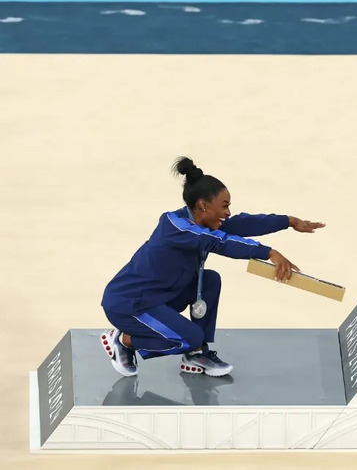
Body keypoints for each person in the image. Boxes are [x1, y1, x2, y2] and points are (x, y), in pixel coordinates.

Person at [99, 157, 325, 378]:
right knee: (189, 337)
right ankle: (124, 340)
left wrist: (289, 221)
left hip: (160, 296)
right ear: (203, 205)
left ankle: (196, 354)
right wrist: (270, 253)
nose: (228, 212)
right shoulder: (174, 225)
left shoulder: (205, 221)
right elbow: (219, 242)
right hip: (130, 304)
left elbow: (243, 223)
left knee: (210, 280)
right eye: (224, 206)